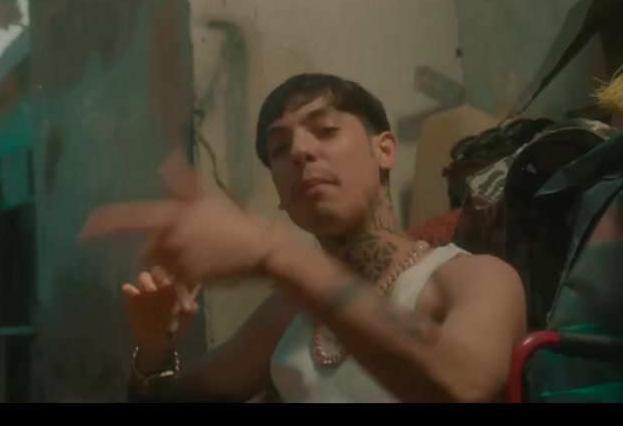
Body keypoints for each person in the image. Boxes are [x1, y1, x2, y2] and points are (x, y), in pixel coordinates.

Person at [82, 73, 527, 403]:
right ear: (280, 193)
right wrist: (155, 348)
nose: (299, 151)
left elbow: (466, 386)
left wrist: (276, 252)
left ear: (385, 150)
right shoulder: (285, 315)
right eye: (280, 148)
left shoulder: (472, 278)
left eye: (326, 131)